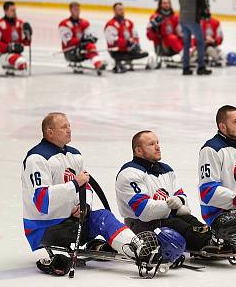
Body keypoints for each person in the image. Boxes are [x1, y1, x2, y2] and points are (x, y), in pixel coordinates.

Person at [24, 113, 152, 273]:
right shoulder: (37, 158)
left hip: (70, 222)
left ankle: (138, 248)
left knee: (102, 216)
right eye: (64, 127)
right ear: (49, 132)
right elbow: (42, 201)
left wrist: (84, 206)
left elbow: (86, 188)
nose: (69, 130)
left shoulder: (74, 155)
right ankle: (139, 251)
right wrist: (74, 184)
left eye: (69, 126)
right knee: (103, 219)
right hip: (46, 227)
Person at [116, 130, 212, 252]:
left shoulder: (166, 170)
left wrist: (179, 200)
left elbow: (183, 199)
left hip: (167, 218)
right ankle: (205, 244)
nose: (157, 147)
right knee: (178, 225)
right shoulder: (129, 173)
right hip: (140, 226)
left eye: (157, 143)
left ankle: (211, 238)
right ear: (138, 150)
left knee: (190, 220)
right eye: (151, 144)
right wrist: (173, 206)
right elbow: (144, 211)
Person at [178, 0, 211, 75]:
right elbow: (203, 4)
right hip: (193, 19)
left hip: (183, 19)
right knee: (200, 43)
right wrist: (206, 14)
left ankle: (185, 68)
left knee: (186, 44)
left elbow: (180, 2)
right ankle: (201, 67)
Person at [58, 2, 105, 73]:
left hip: (80, 49)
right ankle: (98, 63)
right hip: (70, 51)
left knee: (90, 45)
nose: (77, 11)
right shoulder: (64, 24)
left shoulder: (84, 23)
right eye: (75, 9)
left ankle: (98, 63)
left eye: (78, 10)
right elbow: (69, 42)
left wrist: (92, 38)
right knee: (88, 46)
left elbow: (88, 35)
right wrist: (83, 40)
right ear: (70, 10)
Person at [104, 2, 148, 73]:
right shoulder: (111, 24)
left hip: (129, 50)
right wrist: (127, 42)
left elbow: (135, 36)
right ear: (114, 11)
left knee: (145, 53)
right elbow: (111, 41)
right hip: (117, 51)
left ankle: (128, 58)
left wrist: (135, 43)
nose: (122, 11)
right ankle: (120, 61)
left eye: (122, 9)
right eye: (119, 10)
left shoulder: (129, 23)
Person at [0, 1, 32, 74]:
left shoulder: (20, 23)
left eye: (15, 10)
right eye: (12, 10)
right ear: (5, 11)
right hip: (4, 55)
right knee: (21, 63)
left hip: (17, 55)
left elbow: (26, 43)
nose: (14, 12)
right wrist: (10, 47)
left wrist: (28, 36)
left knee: (22, 64)